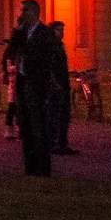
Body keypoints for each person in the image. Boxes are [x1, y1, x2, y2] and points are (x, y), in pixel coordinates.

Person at [11, 0, 62, 177]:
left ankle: (43, 169)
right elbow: (11, 52)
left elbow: (48, 62)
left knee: (39, 128)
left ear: (34, 12)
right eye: (20, 10)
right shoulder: (22, 32)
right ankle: (29, 168)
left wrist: (45, 84)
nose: (21, 14)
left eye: (24, 10)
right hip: (23, 84)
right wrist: (16, 31)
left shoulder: (45, 34)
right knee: (25, 128)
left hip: (37, 86)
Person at [47, 20, 77, 156]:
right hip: (56, 86)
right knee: (56, 114)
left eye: (62, 30)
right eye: (58, 30)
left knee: (64, 115)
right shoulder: (51, 46)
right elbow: (50, 68)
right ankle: (55, 142)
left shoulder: (60, 45)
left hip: (63, 84)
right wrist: (54, 84)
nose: (61, 33)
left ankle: (62, 142)